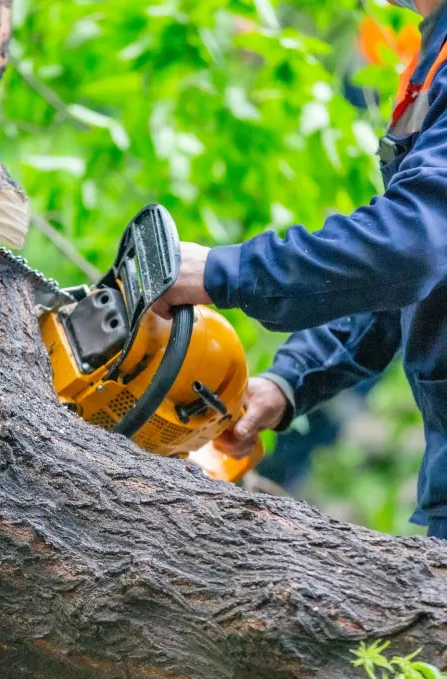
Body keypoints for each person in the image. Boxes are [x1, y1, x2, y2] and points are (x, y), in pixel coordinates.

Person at [152, 0, 447, 538]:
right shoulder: (433, 47)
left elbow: (413, 243)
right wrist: (289, 382)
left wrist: (223, 271)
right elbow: (399, 281)